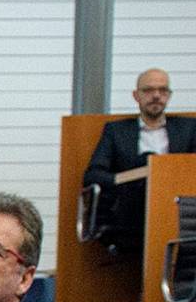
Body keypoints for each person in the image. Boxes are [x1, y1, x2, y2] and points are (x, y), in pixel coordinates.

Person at [83, 68, 196, 245]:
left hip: (176, 208)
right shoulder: (116, 131)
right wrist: (135, 175)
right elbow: (93, 175)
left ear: (169, 95)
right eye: (149, 90)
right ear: (136, 95)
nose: (156, 96)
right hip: (131, 210)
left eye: (163, 90)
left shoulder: (188, 129)